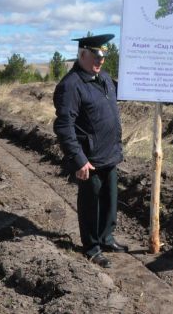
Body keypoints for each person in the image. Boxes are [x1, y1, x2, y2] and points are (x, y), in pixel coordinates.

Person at [53, 33, 128, 267]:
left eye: (103, 56)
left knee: (110, 201)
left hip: (109, 153)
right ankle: (92, 247)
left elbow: (126, 91)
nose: (100, 61)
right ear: (82, 54)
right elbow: (64, 126)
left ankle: (106, 238)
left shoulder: (103, 78)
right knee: (91, 205)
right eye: (96, 56)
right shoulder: (71, 85)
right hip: (89, 158)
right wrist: (78, 159)